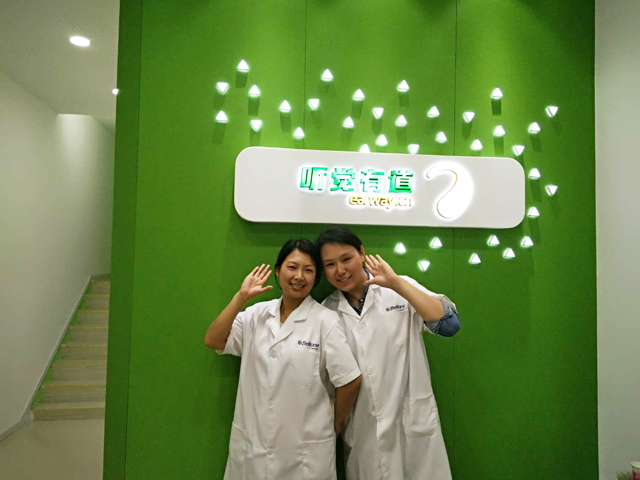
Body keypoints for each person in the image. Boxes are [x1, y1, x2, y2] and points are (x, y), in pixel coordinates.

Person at [204, 238, 362, 480]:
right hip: (254, 447)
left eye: (308, 270)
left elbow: (350, 380)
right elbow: (213, 340)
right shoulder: (256, 314)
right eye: (292, 267)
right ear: (278, 271)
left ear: (315, 277)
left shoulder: (325, 321)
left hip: (304, 453)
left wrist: (334, 423)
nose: (299, 276)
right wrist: (241, 297)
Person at [315, 227, 461, 480]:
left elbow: (449, 326)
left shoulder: (399, 288)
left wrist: (397, 284)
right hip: (363, 432)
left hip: (412, 424)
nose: (340, 270)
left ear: (362, 253)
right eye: (330, 264)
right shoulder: (326, 312)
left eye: (346, 259)